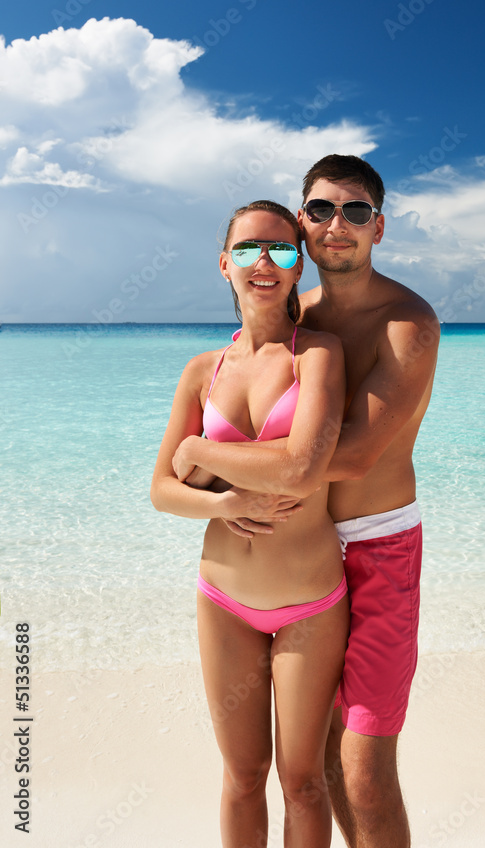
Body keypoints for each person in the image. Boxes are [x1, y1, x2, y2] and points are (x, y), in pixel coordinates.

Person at [179, 157, 440, 848]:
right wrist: (213, 492)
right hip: (305, 553)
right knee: (308, 766)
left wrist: (202, 457)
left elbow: (349, 456)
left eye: (356, 212)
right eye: (320, 210)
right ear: (300, 226)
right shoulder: (299, 322)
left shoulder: (407, 322)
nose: (337, 225)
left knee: (358, 766)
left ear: (378, 227)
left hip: (378, 548)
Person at [150, 199, 349, 848]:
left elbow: (303, 466)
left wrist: (201, 453)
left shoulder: (317, 355)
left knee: (302, 782)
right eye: (247, 250)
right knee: (240, 776)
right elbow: (162, 491)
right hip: (224, 601)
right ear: (223, 265)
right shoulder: (200, 372)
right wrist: (223, 503)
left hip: (310, 605)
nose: (263, 262)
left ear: (299, 269)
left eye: (282, 250)